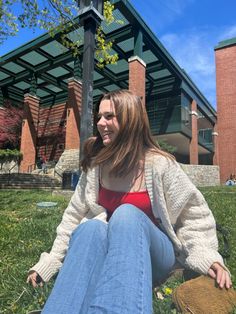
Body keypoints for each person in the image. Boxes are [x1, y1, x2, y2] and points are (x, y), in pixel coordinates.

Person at [27, 90, 232, 314]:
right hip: (108, 250)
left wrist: (208, 257)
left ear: (130, 120)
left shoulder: (160, 165)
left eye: (109, 116)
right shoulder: (96, 166)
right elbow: (73, 216)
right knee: (91, 228)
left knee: (126, 214)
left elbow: (194, 214)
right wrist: (50, 262)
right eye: (99, 117)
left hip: (155, 255)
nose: (100, 123)